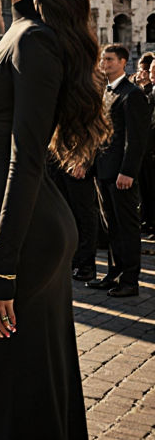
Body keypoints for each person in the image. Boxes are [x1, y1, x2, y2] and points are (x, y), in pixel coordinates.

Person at [0, 0, 106, 440]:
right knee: (35, 385)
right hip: (21, 225)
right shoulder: (24, 32)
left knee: (7, 393)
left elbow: (25, 160)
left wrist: (1, 271)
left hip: (16, 237)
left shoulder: (33, 40)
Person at [89, 44, 148, 297]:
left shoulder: (132, 93)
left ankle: (130, 280)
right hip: (103, 170)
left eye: (110, 59)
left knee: (126, 226)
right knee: (111, 225)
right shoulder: (105, 91)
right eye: (103, 59)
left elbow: (136, 139)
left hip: (121, 173)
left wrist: (128, 171)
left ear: (123, 62)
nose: (105, 63)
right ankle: (114, 273)